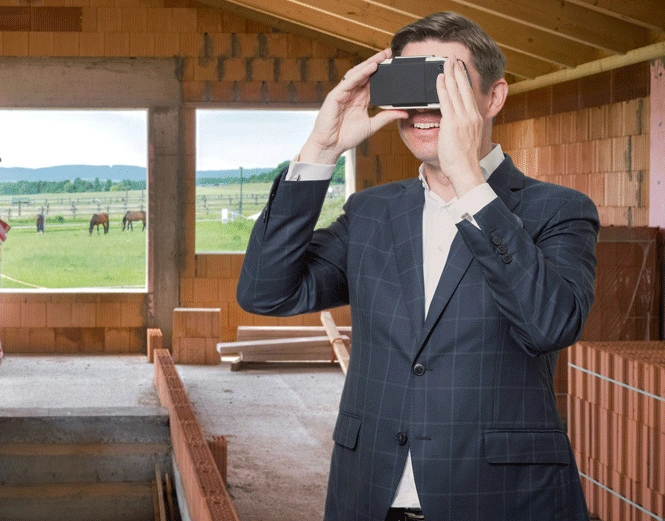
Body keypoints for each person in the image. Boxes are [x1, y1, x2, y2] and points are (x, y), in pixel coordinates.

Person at [236, 12, 598, 521]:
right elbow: (265, 292)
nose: (424, 104)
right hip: (367, 496)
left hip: (504, 501)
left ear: (493, 98)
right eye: (411, 83)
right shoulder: (372, 212)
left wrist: (469, 181)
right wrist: (322, 148)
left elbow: (550, 324)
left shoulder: (556, 210)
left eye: (446, 82)